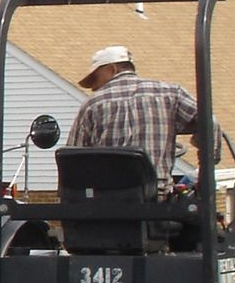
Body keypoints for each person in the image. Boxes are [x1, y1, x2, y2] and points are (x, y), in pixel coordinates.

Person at [67, 43, 197, 196]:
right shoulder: (171, 93)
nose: (94, 87)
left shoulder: (93, 104)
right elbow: (210, 123)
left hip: (109, 201)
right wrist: (205, 167)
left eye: (95, 78)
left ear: (111, 70)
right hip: (158, 200)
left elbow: (73, 159)